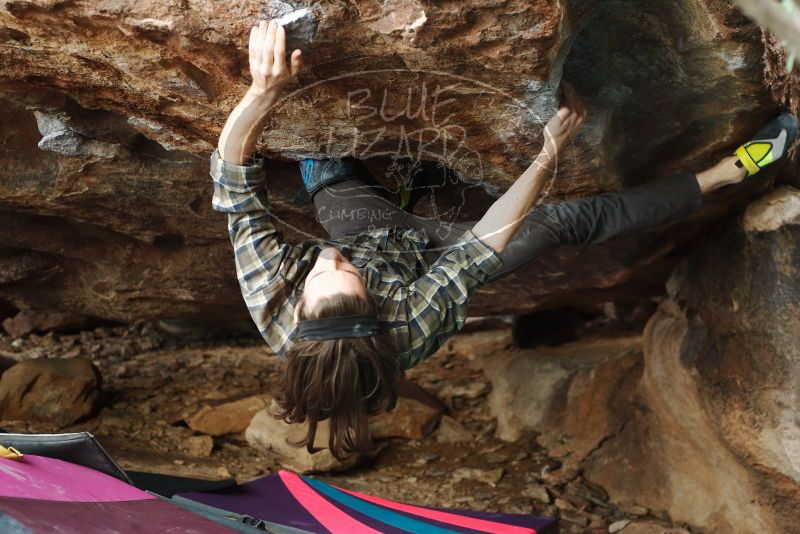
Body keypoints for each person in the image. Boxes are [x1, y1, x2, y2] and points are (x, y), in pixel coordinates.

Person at [213, 20, 798, 459]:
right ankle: (725, 173)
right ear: (374, 311)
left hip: (370, 230)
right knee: (559, 223)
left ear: (301, 308)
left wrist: (263, 91)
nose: (331, 259)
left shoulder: (271, 300)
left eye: (323, 270)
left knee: (323, 160)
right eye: (348, 274)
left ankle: (396, 190)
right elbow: (484, 244)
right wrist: (548, 154)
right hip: (431, 259)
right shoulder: (411, 323)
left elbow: (233, 182)